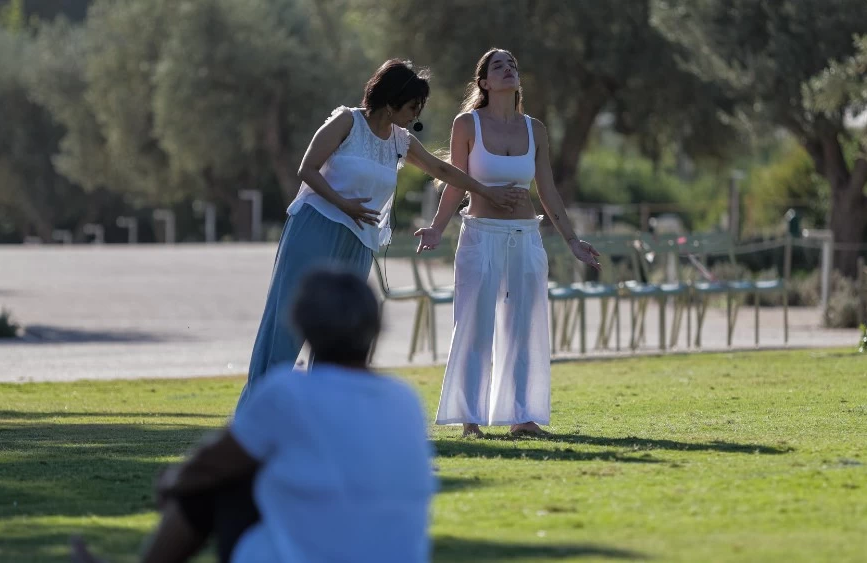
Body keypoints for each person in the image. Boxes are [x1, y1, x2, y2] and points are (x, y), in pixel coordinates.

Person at [72, 268, 437, 563]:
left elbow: (209, 465)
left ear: (303, 327)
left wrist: (171, 482)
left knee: (219, 484)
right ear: (374, 329)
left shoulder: (289, 392)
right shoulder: (404, 398)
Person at [239, 59, 526, 410]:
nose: (415, 116)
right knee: (288, 321)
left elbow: (439, 168)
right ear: (390, 101)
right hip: (315, 228)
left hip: (359, 239)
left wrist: (485, 191)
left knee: (340, 329)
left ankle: (323, 414)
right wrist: (343, 204)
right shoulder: (347, 121)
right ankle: (260, 411)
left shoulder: (400, 141)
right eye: (411, 107)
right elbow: (307, 169)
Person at [414, 48, 600, 438]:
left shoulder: (535, 129)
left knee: (524, 326)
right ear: (483, 82)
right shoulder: (467, 124)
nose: (508, 69)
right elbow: (455, 181)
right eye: (498, 66)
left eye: (513, 64)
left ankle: (523, 417)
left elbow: (546, 189)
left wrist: (572, 241)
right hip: (481, 237)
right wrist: (435, 228)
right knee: (475, 327)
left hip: (525, 237)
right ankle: (470, 420)